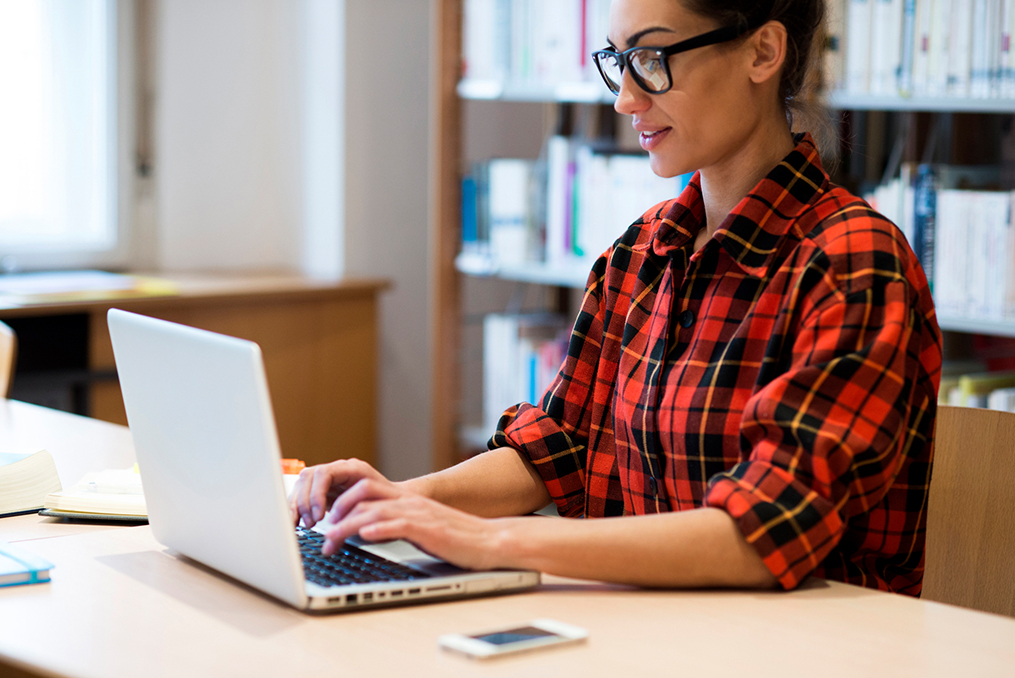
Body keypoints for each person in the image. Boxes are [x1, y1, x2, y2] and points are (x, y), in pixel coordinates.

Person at [291, 0, 941, 594]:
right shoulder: (641, 253)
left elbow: (765, 533)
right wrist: (398, 498)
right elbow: (560, 446)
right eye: (617, 62)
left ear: (762, 53)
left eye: (652, 60)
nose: (625, 100)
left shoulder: (852, 260)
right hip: (650, 628)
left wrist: (490, 541)